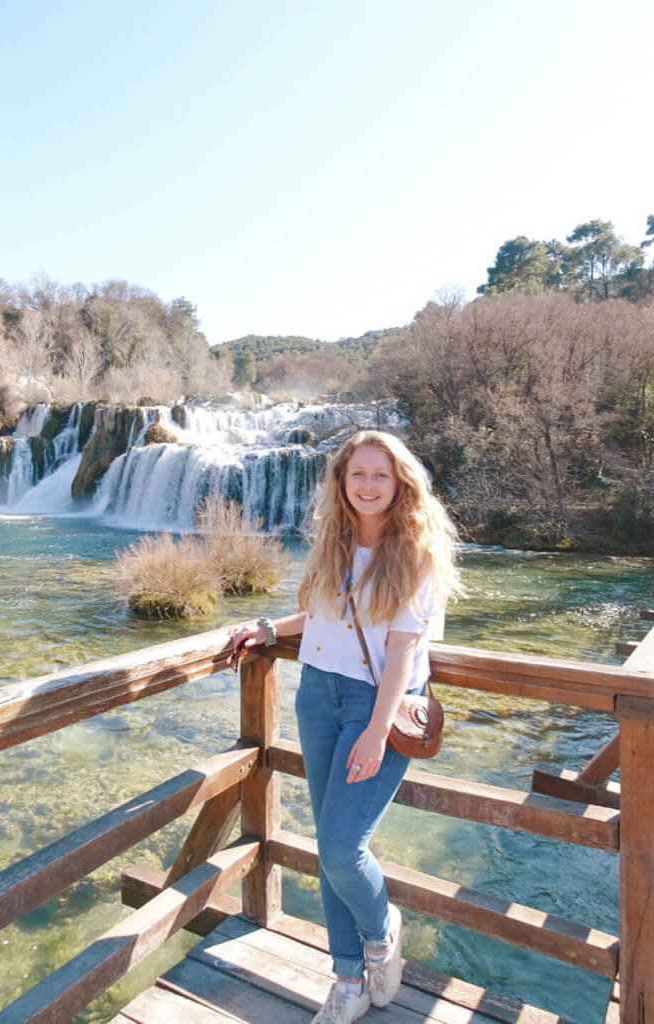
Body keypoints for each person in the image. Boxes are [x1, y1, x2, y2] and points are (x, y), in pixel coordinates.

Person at [230, 429, 460, 1024]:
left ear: (400, 481)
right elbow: (320, 617)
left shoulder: (416, 551)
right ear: (341, 480)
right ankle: (348, 980)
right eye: (357, 473)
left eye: (379, 475)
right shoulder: (332, 542)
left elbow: (404, 653)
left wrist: (377, 731)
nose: (367, 485)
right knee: (330, 847)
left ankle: (381, 936)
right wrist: (268, 630)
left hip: (374, 704)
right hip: (316, 696)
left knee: (339, 846)